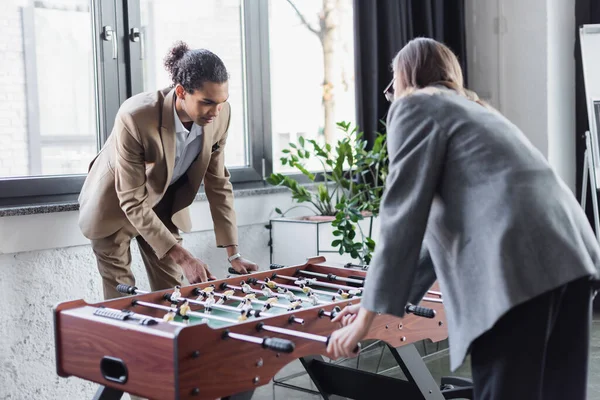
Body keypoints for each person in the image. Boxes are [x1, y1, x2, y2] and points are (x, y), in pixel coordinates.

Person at [326, 37, 600, 400]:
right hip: (571, 254)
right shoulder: (474, 109)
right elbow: (428, 239)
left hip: (514, 267)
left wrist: (361, 325)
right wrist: (369, 306)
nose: (391, 96)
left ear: (408, 77)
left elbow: (401, 219)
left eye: (393, 85)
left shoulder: (416, 106)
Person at [78, 41, 258, 301]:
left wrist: (234, 254)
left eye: (222, 102)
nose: (215, 111)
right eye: (207, 102)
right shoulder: (135, 116)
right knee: (123, 300)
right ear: (182, 91)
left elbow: (218, 183)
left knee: (175, 294)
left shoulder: (220, 114)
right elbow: (131, 199)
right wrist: (185, 258)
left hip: (161, 207)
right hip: (113, 207)